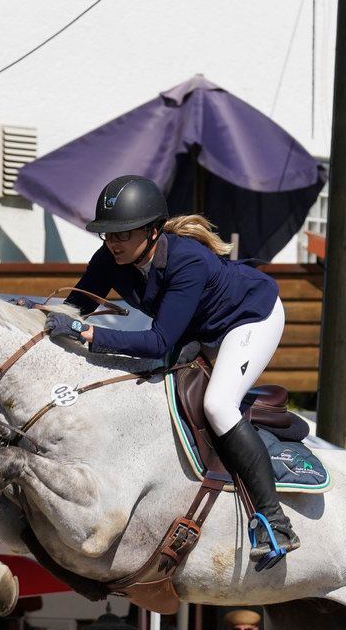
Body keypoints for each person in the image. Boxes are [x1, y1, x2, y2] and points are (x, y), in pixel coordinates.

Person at [48, 175, 298, 564]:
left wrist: (86, 333)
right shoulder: (111, 259)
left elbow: (158, 341)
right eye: (107, 235)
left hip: (249, 319)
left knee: (218, 404)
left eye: (122, 234)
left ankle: (274, 522)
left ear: (151, 232)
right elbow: (79, 303)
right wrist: (38, 316)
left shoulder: (187, 261)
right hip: (196, 326)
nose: (113, 243)